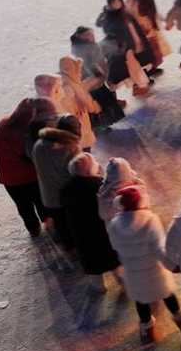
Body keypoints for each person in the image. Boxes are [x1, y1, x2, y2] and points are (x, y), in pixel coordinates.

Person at [108, 187, 181, 345]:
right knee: (168, 295)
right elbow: (159, 249)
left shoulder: (114, 224)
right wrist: (173, 266)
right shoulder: (150, 220)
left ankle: (147, 328)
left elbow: (114, 246)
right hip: (155, 272)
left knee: (141, 301)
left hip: (133, 272)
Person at [60, 153, 122, 292]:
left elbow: (63, 207)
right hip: (103, 230)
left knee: (92, 262)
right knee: (113, 258)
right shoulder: (100, 185)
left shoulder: (66, 189)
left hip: (81, 232)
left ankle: (99, 286)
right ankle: (122, 282)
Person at [0, 98, 51, 238]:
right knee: (40, 202)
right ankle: (49, 225)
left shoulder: (3, 123)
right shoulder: (21, 133)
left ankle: (33, 228)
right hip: (28, 177)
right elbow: (29, 156)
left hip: (8, 178)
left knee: (23, 206)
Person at [33, 113, 81, 252]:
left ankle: (70, 249)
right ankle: (77, 247)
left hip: (48, 196)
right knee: (73, 223)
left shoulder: (39, 145)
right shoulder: (71, 148)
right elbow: (77, 174)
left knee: (60, 224)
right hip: (67, 196)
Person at [69, 26, 126, 129]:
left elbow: (103, 46)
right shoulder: (84, 50)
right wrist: (96, 72)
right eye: (88, 35)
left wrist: (116, 46)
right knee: (99, 105)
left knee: (105, 101)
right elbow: (88, 63)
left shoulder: (92, 45)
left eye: (91, 33)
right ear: (81, 37)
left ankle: (103, 122)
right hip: (93, 83)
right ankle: (99, 126)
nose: (91, 36)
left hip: (98, 81)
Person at [55, 58, 101, 150]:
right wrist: (90, 106)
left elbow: (82, 90)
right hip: (77, 119)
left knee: (85, 140)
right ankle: (86, 161)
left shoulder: (71, 80)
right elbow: (68, 104)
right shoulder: (67, 87)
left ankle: (86, 158)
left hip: (79, 117)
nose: (78, 72)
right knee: (83, 142)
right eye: (76, 69)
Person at [126, 0, 167, 75]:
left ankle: (152, 68)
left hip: (150, 27)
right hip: (142, 29)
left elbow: (154, 11)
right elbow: (131, 15)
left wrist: (164, 19)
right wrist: (139, 28)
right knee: (148, 51)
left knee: (155, 50)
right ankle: (147, 71)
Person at [98, 157, 145, 222]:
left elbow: (102, 215)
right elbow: (133, 178)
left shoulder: (106, 198)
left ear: (108, 177)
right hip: (138, 222)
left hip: (117, 228)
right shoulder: (140, 190)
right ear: (129, 173)